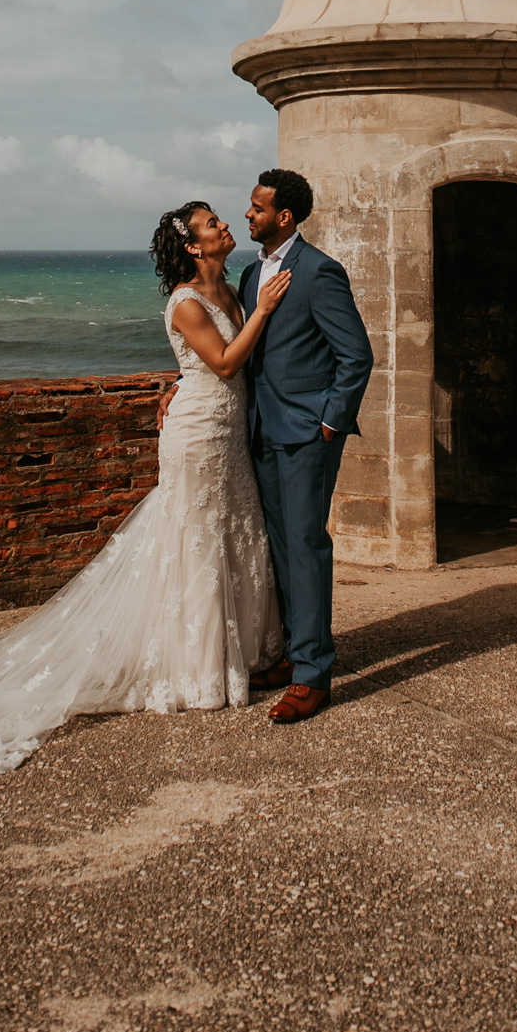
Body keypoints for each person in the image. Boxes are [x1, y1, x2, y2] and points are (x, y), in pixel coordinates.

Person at [0, 203, 288, 779]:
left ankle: (234, 654)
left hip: (229, 433)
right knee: (193, 539)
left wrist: (204, 354)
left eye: (219, 221)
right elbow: (221, 362)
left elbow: (214, 365)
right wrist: (263, 312)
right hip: (196, 434)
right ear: (192, 246)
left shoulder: (232, 291)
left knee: (231, 533)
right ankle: (196, 670)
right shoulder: (188, 301)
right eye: (212, 223)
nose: (224, 226)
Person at [162, 169, 373, 724]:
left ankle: (312, 675)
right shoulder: (250, 276)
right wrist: (181, 386)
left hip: (305, 434)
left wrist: (329, 421)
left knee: (305, 547)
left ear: (283, 216)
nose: (246, 215)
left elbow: (356, 356)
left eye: (256, 209)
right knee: (276, 549)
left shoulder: (319, 272)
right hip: (254, 433)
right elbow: (231, 353)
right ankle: (290, 653)